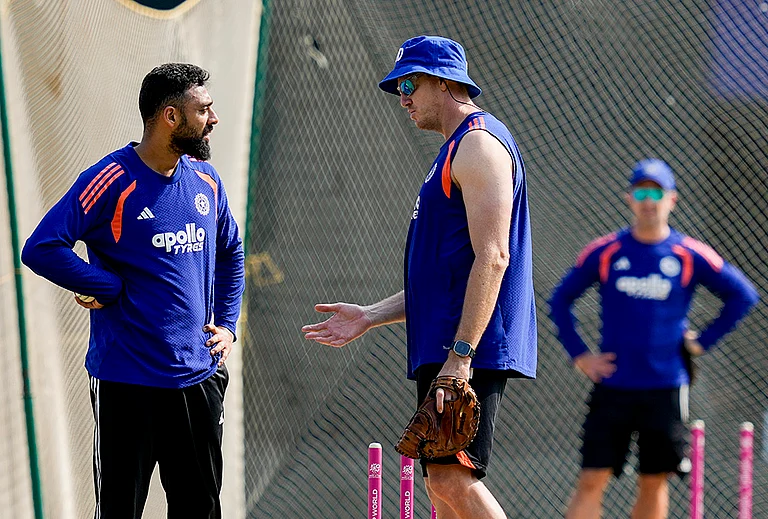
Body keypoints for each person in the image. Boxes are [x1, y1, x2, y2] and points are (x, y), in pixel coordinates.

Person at [302, 36, 537, 519]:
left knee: (452, 478)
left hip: (468, 345)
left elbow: (493, 258)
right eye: (397, 87)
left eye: (410, 82)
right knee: (442, 487)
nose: (402, 96)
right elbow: (441, 277)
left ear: (446, 82)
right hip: (449, 343)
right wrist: (369, 315)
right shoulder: (454, 150)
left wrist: (461, 357)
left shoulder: (478, 145)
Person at [22, 63, 245, 519]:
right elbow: (42, 248)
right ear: (170, 117)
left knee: (200, 510)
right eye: (203, 109)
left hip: (197, 379)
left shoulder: (205, 179)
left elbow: (231, 251)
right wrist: (104, 284)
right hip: (127, 383)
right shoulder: (110, 179)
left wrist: (227, 324)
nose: (214, 118)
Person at [548, 158, 759, 519]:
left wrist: (702, 341)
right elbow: (559, 300)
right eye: (641, 192)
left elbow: (743, 295)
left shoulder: (688, 253)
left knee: (654, 480)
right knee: (591, 479)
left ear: (672, 199)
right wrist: (580, 355)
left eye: (656, 192)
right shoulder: (607, 251)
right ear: (630, 199)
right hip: (613, 386)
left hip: (664, 388)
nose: (649, 200)